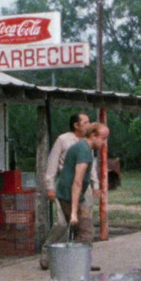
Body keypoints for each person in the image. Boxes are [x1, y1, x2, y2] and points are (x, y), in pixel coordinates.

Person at [39, 113, 99, 269]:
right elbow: (52, 163)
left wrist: (95, 184)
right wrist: (50, 186)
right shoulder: (63, 140)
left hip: (83, 188)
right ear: (76, 125)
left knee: (84, 225)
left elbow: (89, 166)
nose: (88, 124)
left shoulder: (88, 142)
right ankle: (47, 253)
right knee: (62, 223)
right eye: (85, 122)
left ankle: (82, 258)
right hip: (67, 187)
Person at [56, 122, 109, 247]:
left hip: (74, 195)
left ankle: (80, 261)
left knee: (78, 229)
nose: (104, 143)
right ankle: (74, 262)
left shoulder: (83, 147)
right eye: (103, 139)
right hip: (70, 195)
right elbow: (77, 182)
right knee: (86, 232)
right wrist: (74, 212)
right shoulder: (84, 150)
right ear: (93, 135)